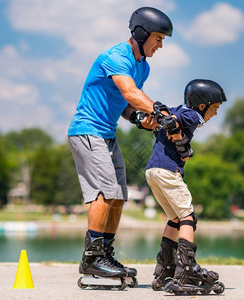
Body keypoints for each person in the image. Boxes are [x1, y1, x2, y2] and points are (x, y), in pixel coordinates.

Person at [68, 7, 174, 289]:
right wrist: (161, 113)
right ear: (141, 33)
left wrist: (141, 119)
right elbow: (129, 92)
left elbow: (127, 105)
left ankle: (105, 256)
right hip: (87, 130)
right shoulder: (116, 57)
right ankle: (91, 260)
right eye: (158, 38)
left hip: (107, 135)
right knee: (105, 193)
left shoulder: (143, 67)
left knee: (119, 197)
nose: (160, 45)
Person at [145, 79, 227, 295]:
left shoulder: (179, 109)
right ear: (202, 106)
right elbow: (174, 118)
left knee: (175, 218)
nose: (215, 114)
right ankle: (187, 270)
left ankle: (166, 269)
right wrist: (172, 124)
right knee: (188, 217)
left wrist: (165, 119)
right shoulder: (192, 115)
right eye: (215, 109)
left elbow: (163, 110)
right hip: (167, 171)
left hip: (152, 171)